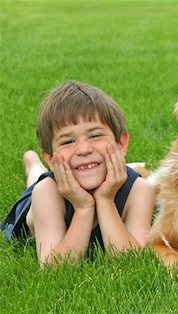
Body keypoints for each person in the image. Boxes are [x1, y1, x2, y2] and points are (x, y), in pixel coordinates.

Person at [1, 81, 155, 266]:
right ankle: (33, 162)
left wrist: (106, 201)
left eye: (95, 136)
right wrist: (83, 208)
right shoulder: (46, 193)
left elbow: (132, 262)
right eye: (67, 142)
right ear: (51, 158)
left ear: (121, 144)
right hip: (41, 196)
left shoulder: (140, 190)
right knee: (36, 180)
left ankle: (35, 164)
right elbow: (54, 269)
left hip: (82, 175)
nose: (83, 149)